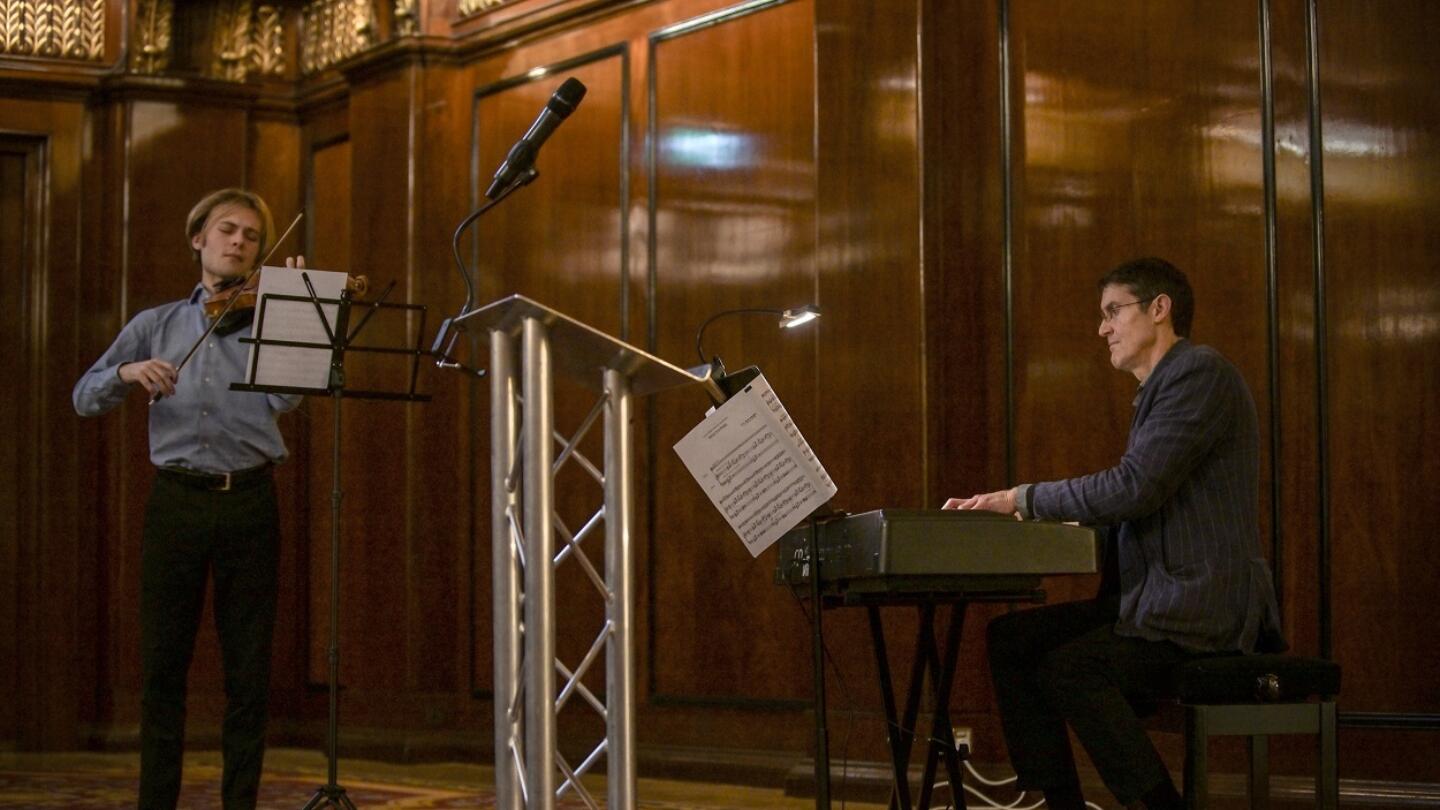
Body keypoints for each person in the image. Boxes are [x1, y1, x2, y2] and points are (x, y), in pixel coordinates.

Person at [944, 257, 1284, 810]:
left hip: (1200, 607)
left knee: (1070, 669)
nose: (1102, 328)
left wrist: (1020, 499)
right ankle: (1060, 803)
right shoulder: (1162, 388)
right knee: (1011, 640)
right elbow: (1139, 501)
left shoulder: (1200, 374)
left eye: (1112, 312)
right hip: (1157, 600)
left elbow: (1134, 488)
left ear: (1158, 309)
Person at [74, 188, 305, 809]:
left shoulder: (273, 316)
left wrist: (294, 314)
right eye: (226, 230)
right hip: (176, 502)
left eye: (251, 236)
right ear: (198, 239)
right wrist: (128, 372)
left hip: (250, 502)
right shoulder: (156, 324)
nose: (238, 243)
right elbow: (84, 394)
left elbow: (288, 400)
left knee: (248, 673)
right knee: (163, 669)